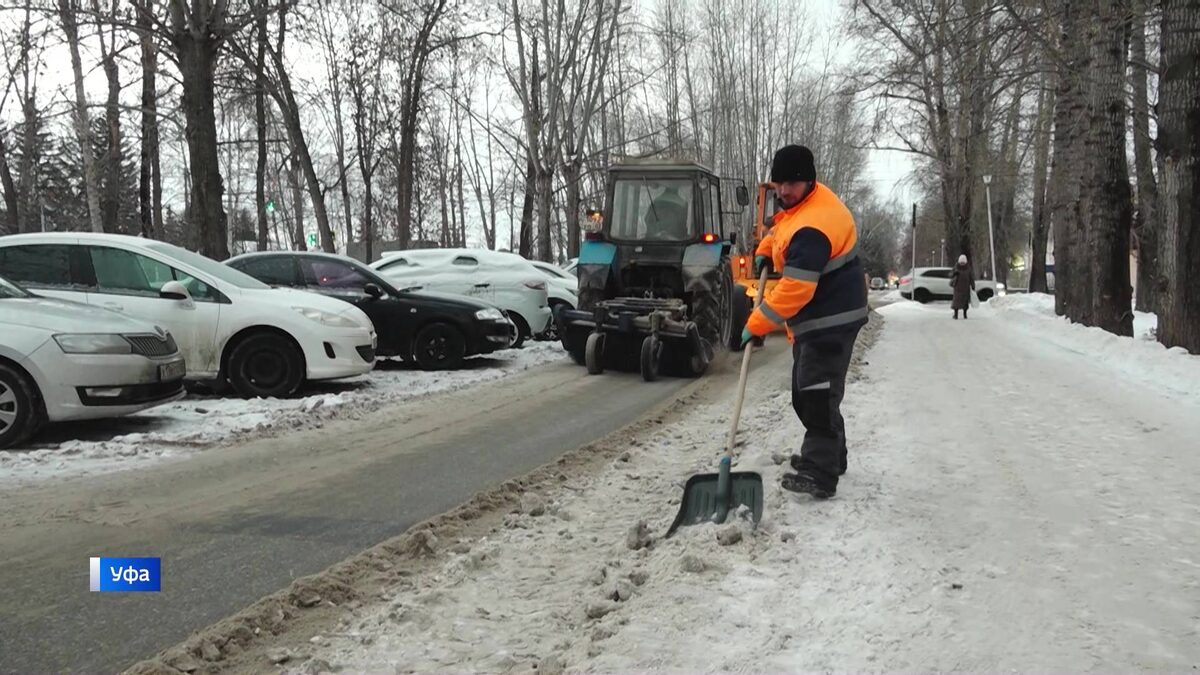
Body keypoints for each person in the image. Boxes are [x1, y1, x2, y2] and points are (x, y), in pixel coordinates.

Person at [742, 145, 868, 500]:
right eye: (779, 183)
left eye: (792, 183)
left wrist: (757, 323)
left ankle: (820, 472)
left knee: (816, 395)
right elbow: (784, 228)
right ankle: (832, 456)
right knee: (808, 393)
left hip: (831, 320)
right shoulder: (803, 206)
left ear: (810, 180)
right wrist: (766, 248)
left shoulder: (814, 226)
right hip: (819, 318)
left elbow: (796, 289)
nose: (784, 191)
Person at [950, 254, 975, 320]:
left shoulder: (957, 268)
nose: (962, 263)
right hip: (962, 288)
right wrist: (973, 286)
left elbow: (971, 278)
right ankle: (960, 314)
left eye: (963, 262)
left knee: (960, 302)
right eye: (961, 262)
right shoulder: (967, 269)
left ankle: (960, 314)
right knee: (961, 302)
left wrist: (973, 285)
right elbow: (971, 278)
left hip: (960, 288)